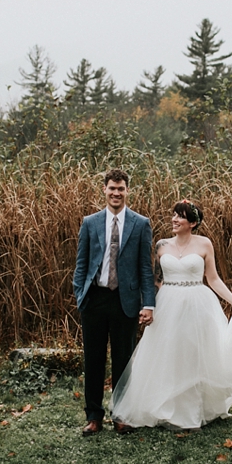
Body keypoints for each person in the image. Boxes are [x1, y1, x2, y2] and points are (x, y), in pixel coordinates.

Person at [110, 199, 232, 431]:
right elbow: (155, 278)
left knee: (192, 354)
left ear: (192, 223)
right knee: (166, 353)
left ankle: (190, 411)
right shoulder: (162, 245)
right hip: (168, 304)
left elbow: (213, 279)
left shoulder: (205, 244)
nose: (174, 219)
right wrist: (157, 301)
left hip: (197, 304)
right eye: (173, 215)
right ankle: (161, 406)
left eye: (180, 216)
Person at [72, 169, 156, 436]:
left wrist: (148, 303)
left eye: (121, 189)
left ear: (127, 191)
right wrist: (80, 295)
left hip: (126, 300)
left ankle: (121, 415)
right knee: (93, 359)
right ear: (105, 190)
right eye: (112, 188)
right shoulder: (90, 222)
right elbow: (81, 264)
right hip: (95, 299)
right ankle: (94, 416)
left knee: (123, 360)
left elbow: (146, 267)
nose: (116, 193)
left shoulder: (141, 223)